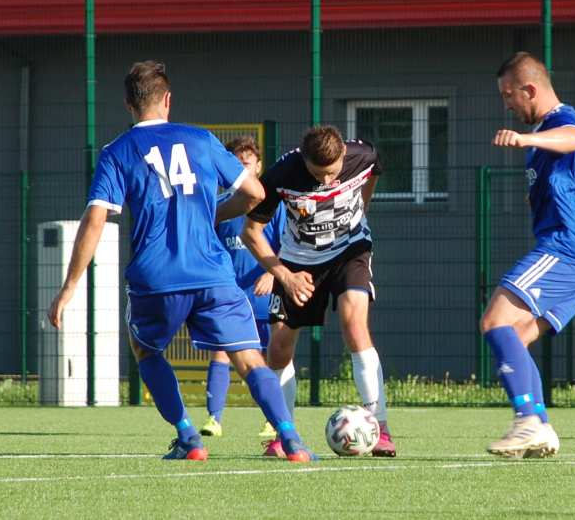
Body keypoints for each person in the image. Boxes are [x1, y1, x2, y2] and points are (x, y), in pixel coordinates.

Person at [48, 61, 315, 462]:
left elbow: (95, 218)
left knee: (145, 349)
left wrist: (69, 288)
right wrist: (214, 213)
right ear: (168, 100)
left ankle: (189, 437)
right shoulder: (202, 140)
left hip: (156, 279)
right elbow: (256, 194)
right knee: (248, 356)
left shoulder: (117, 152)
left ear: (128, 104)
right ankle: (291, 438)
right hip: (213, 273)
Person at [484, 51, 575, 458]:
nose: (507, 104)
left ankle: (526, 421)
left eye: (509, 95)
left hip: (568, 247)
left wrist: (528, 139)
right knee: (516, 336)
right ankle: (540, 425)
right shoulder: (557, 123)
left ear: (530, 89)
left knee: (494, 320)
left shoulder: (562, 121)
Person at [242, 124, 397, 458]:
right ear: (303, 160)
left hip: (350, 250)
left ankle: (380, 428)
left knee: (354, 324)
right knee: (280, 345)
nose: (326, 181)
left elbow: (372, 174)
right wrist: (284, 275)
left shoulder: (363, 155)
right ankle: (285, 434)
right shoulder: (281, 175)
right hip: (298, 263)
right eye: (317, 173)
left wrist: (361, 212)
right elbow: (251, 232)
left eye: (332, 173)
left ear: (343, 154)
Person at [199, 135, 287, 444]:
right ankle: (214, 418)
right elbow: (208, 245)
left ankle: (271, 420)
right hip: (230, 294)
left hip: (264, 294)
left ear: (259, 166)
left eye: (247, 164)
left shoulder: (271, 206)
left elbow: (286, 247)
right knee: (222, 351)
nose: (242, 169)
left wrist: (273, 274)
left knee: (269, 354)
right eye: (235, 164)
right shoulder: (220, 206)